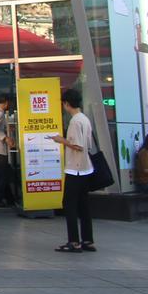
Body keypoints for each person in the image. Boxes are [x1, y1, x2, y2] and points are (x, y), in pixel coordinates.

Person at [49, 88, 96, 252]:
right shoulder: (85, 119)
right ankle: (88, 240)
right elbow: (88, 144)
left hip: (74, 169)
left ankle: (74, 242)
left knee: (69, 204)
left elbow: (77, 145)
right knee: (84, 205)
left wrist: (60, 140)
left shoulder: (75, 121)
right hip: (86, 168)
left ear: (67, 103)